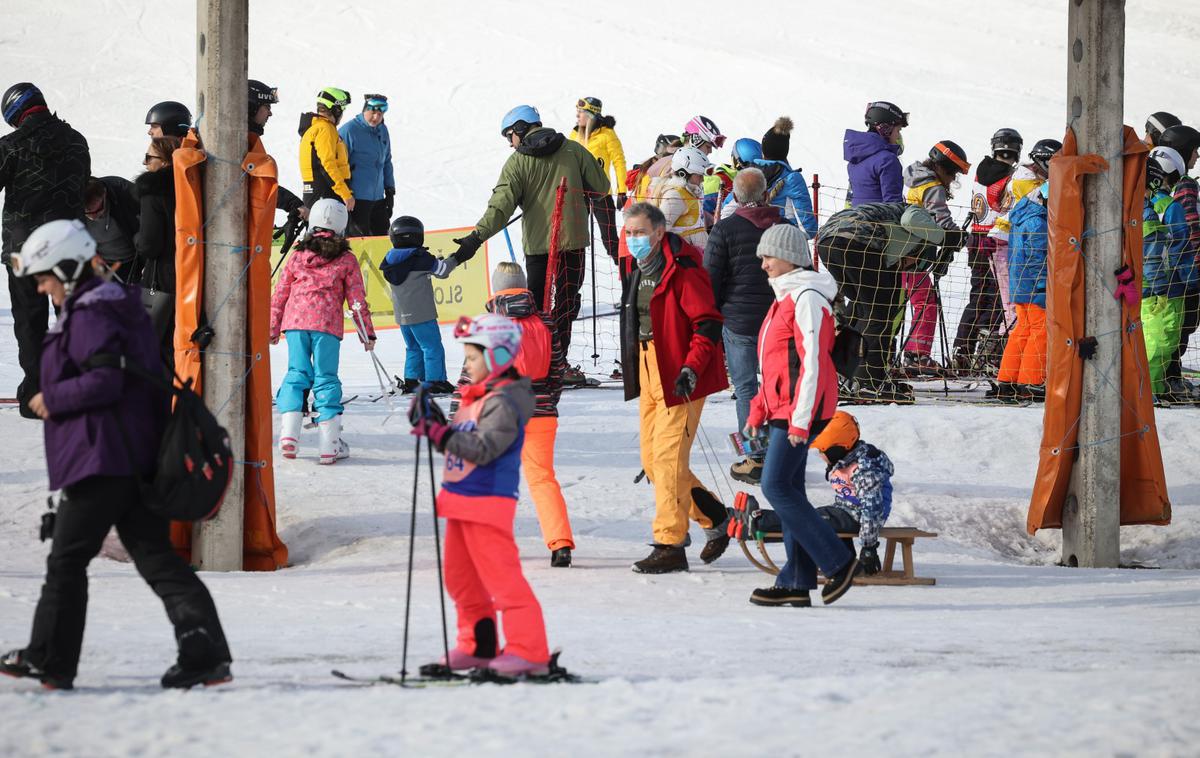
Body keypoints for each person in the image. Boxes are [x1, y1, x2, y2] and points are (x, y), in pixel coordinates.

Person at [0, 219, 232, 690]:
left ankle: (50, 659)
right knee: (157, 559)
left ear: (66, 268)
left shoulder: (92, 313)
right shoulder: (112, 304)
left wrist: (53, 398)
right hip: (128, 454)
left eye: (45, 277)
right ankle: (204, 653)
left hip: (102, 455)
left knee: (66, 560)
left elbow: (105, 380)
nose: (43, 288)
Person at [410, 313, 550, 677]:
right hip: (460, 499)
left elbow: (484, 448)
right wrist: (437, 425)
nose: (467, 365)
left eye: (473, 357)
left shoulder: (504, 401)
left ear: (499, 357)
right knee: (460, 578)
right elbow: (461, 446)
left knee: (502, 580)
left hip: (488, 502)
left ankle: (528, 651)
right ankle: (478, 645)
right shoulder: (476, 397)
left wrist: (440, 433)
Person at [743, 224, 858, 607]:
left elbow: (812, 366)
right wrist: (759, 407)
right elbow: (773, 361)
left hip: (801, 411)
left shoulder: (807, 297)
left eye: (769, 257)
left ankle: (838, 561)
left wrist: (800, 421)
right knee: (790, 490)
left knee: (776, 487)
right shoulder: (785, 296)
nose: (763, 265)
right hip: (785, 408)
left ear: (791, 257)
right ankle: (796, 579)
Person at [619, 202, 729, 573]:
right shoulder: (637, 267)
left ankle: (670, 542)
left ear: (659, 232)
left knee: (667, 459)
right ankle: (715, 517)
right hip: (648, 367)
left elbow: (708, 323)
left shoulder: (682, 268)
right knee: (654, 462)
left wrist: (691, 368)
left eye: (639, 232)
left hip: (678, 374)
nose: (633, 239)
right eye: (628, 233)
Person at [453, 105, 610, 358]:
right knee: (566, 304)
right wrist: (596, 168)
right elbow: (601, 188)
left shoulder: (517, 163)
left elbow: (500, 207)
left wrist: (475, 238)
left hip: (538, 247)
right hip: (574, 243)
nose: (510, 143)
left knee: (534, 308)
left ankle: (537, 360)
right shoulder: (573, 150)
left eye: (509, 135)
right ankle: (560, 361)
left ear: (520, 128)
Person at [461, 262, 576, 567]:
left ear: (496, 289)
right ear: (524, 287)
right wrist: (548, 401)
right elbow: (558, 370)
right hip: (540, 412)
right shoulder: (546, 322)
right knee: (542, 479)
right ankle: (560, 543)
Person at [1, 82, 91, 419]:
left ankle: (37, 396)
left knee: (30, 322)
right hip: (69, 246)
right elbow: (83, 187)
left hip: (24, 250)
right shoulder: (77, 141)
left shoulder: (10, 146)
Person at [270, 198, 375, 464]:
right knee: (326, 377)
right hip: (326, 325)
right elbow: (357, 298)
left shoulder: (297, 255)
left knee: (297, 373)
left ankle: (289, 436)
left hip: (295, 323)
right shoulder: (346, 259)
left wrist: (272, 327)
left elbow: (280, 293)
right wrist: (367, 333)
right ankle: (329, 444)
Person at [731, 411, 894, 579]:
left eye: (823, 450)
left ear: (838, 449)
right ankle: (756, 522)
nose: (821, 455)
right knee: (808, 516)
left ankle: (759, 520)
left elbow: (872, 510)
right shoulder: (847, 458)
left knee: (807, 521)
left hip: (858, 518)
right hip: (845, 512)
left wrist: (869, 547)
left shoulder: (865, 470)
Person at [703, 167, 786, 485]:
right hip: (779, 320)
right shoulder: (784, 225)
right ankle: (781, 455)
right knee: (778, 388)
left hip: (738, 321)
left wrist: (713, 313)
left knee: (747, 389)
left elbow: (711, 276)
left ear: (735, 197)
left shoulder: (725, 229)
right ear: (766, 194)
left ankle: (755, 456)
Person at [815, 202, 945, 402]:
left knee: (861, 308)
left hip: (827, 241)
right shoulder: (917, 212)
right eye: (912, 263)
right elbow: (911, 220)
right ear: (918, 248)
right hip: (859, 240)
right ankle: (868, 382)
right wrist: (945, 236)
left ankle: (842, 374)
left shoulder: (887, 219)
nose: (905, 267)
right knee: (880, 312)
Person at [953, 128, 1022, 374]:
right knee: (995, 300)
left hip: (976, 237)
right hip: (995, 241)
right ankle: (987, 353)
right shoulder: (1009, 178)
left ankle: (962, 349)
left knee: (978, 295)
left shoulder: (982, 172)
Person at [899, 140, 970, 375]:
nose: (952, 180)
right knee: (926, 303)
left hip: (902, 250)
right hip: (914, 254)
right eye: (953, 174)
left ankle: (906, 353)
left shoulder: (915, 181)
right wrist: (957, 235)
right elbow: (939, 217)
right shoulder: (932, 186)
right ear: (943, 168)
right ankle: (917, 355)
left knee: (904, 302)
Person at [380, 215, 465, 394]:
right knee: (432, 346)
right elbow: (442, 271)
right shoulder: (421, 258)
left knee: (413, 347)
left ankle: (412, 380)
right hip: (422, 314)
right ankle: (436, 381)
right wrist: (457, 258)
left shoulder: (389, 260)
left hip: (403, 316)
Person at [989, 138, 1062, 330]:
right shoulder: (1028, 182)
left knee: (1015, 304)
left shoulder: (1026, 177)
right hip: (1007, 241)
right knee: (1014, 306)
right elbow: (1044, 201)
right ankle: (1003, 350)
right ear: (1046, 162)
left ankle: (1006, 346)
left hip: (1011, 240)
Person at [990, 183, 1050, 403]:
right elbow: (1038, 258)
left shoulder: (1022, 216)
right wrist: (1044, 288)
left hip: (1020, 284)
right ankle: (1033, 382)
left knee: (1022, 330)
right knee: (1040, 331)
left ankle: (1008, 379)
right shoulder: (1038, 222)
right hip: (1035, 286)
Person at [1140, 146, 1191, 399]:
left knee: (1161, 338)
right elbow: (1182, 247)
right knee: (1161, 339)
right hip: (1165, 285)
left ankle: (1156, 389)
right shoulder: (1168, 207)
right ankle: (1148, 391)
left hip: (1147, 284)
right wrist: (1191, 279)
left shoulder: (1138, 205)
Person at [1157, 124, 1200, 402]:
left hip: (1178, 269)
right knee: (1181, 325)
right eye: (1195, 152)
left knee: (1180, 325)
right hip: (1186, 270)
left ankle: (1170, 374)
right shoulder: (1186, 186)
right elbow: (1190, 229)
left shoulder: (1177, 185)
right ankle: (1169, 377)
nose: (1197, 157)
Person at [134, 135, 182, 350]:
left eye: (148, 157)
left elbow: (149, 245)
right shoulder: (192, 187)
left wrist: (136, 238)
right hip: (192, 274)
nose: (145, 163)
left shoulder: (153, 192)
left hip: (162, 279)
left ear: (164, 161)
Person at [248, 79, 307, 221]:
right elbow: (257, 185)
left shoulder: (248, 139)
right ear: (251, 107)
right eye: (267, 107)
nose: (270, 114)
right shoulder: (238, 142)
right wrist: (292, 203)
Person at [749, 117, 818, 236]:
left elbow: (726, 211)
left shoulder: (747, 175)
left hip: (750, 241)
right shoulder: (792, 179)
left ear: (763, 151)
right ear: (785, 151)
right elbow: (808, 229)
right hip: (783, 244)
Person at [570, 96, 627, 238]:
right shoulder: (575, 134)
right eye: (577, 111)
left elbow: (619, 162)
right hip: (579, 194)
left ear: (591, 115)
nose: (577, 115)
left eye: (581, 112)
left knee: (610, 241)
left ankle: (624, 261)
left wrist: (622, 191)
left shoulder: (607, 134)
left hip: (601, 194)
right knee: (576, 239)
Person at [339, 93, 395, 236]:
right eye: (373, 112)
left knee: (382, 239)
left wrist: (389, 190)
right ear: (365, 109)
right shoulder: (349, 131)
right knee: (359, 242)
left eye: (380, 113)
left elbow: (386, 162)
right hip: (356, 200)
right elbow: (338, 166)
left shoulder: (383, 130)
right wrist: (345, 194)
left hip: (378, 199)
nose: (376, 117)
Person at [638, 115, 724, 205]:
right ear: (695, 140)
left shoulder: (684, 162)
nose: (710, 151)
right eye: (708, 146)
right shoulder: (675, 165)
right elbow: (664, 206)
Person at [298, 87, 354, 211]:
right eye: (342, 109)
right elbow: (327, 164)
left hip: (317, 191)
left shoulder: (316, 127)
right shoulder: (325, 129)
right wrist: (345, 193)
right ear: (336, 110)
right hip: (326, 193)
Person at [844, 101, 906, 206]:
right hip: (879, 220)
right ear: (886, 129)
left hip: (856, 219)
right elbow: (893, 205)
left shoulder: (856, 158)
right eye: (898, 130)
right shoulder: (888, 160)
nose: (898, 136)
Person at [82, 175, 140, 281]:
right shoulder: (74, 208)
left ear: (104, 194)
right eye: (87, 213)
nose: (93, 217)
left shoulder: (125, 192)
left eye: (97, 210)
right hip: (103, 264)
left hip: (135, 261)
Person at [657, 146, 713, 249]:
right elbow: (659, 232)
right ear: (683, 173)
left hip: (696, 258)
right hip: (683, 259)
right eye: (699, 175)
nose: (703, 180)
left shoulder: (690, 192)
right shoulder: (675, 196)